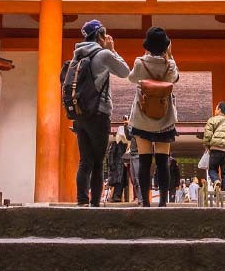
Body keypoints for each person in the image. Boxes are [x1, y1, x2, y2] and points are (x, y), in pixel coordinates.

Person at [70, 19, 130, 207]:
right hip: (99, 113)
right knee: (97, 162)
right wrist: (112, 50)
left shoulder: (77, 56)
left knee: (84, 160)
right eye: (104, 35)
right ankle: (95, 204)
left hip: (79, 114)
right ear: (100, 36)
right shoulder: (103, 54)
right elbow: (125, 71)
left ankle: (81, 201)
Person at [125, 26, 179, 207]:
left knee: (144, 161)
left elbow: (132, 79)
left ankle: (146, 203)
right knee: (163, 161)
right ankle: (163, 203)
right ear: (165, 45)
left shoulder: (140, 63)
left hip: (142, 118)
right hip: (165, 119)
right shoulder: (170, 64)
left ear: (147, 45)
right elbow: (175, 78)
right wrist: (169, 56)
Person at [202, 101, 225, 191]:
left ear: (219, 110)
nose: (215, 110)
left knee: (212, 169)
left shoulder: (212, 120)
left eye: (216, 108)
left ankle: (216, 181)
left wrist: (207, 146)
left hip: (216, 149)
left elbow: (207, 135)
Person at [105, 125, 129, 202]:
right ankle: (116, 196)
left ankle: (117, 196)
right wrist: (111, 165)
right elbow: (110, 154)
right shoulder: (115, 143)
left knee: (121, 182)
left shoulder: (126, 145)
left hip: (122, 167)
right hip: (117, 167)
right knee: (118, 182)